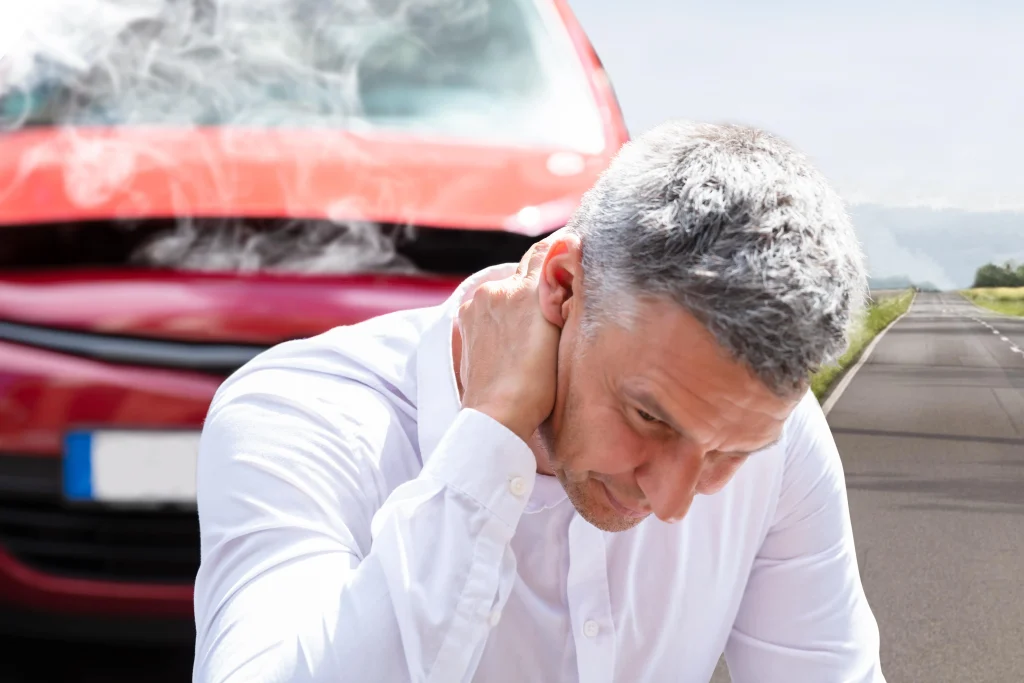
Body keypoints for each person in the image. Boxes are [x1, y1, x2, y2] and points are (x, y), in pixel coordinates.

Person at [191, 120, 885, 682]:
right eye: (649, 417)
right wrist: (487, 440)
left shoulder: (780, 438)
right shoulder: (300, 412)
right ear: (560, 286)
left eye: (730, 455)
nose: (673, 501)